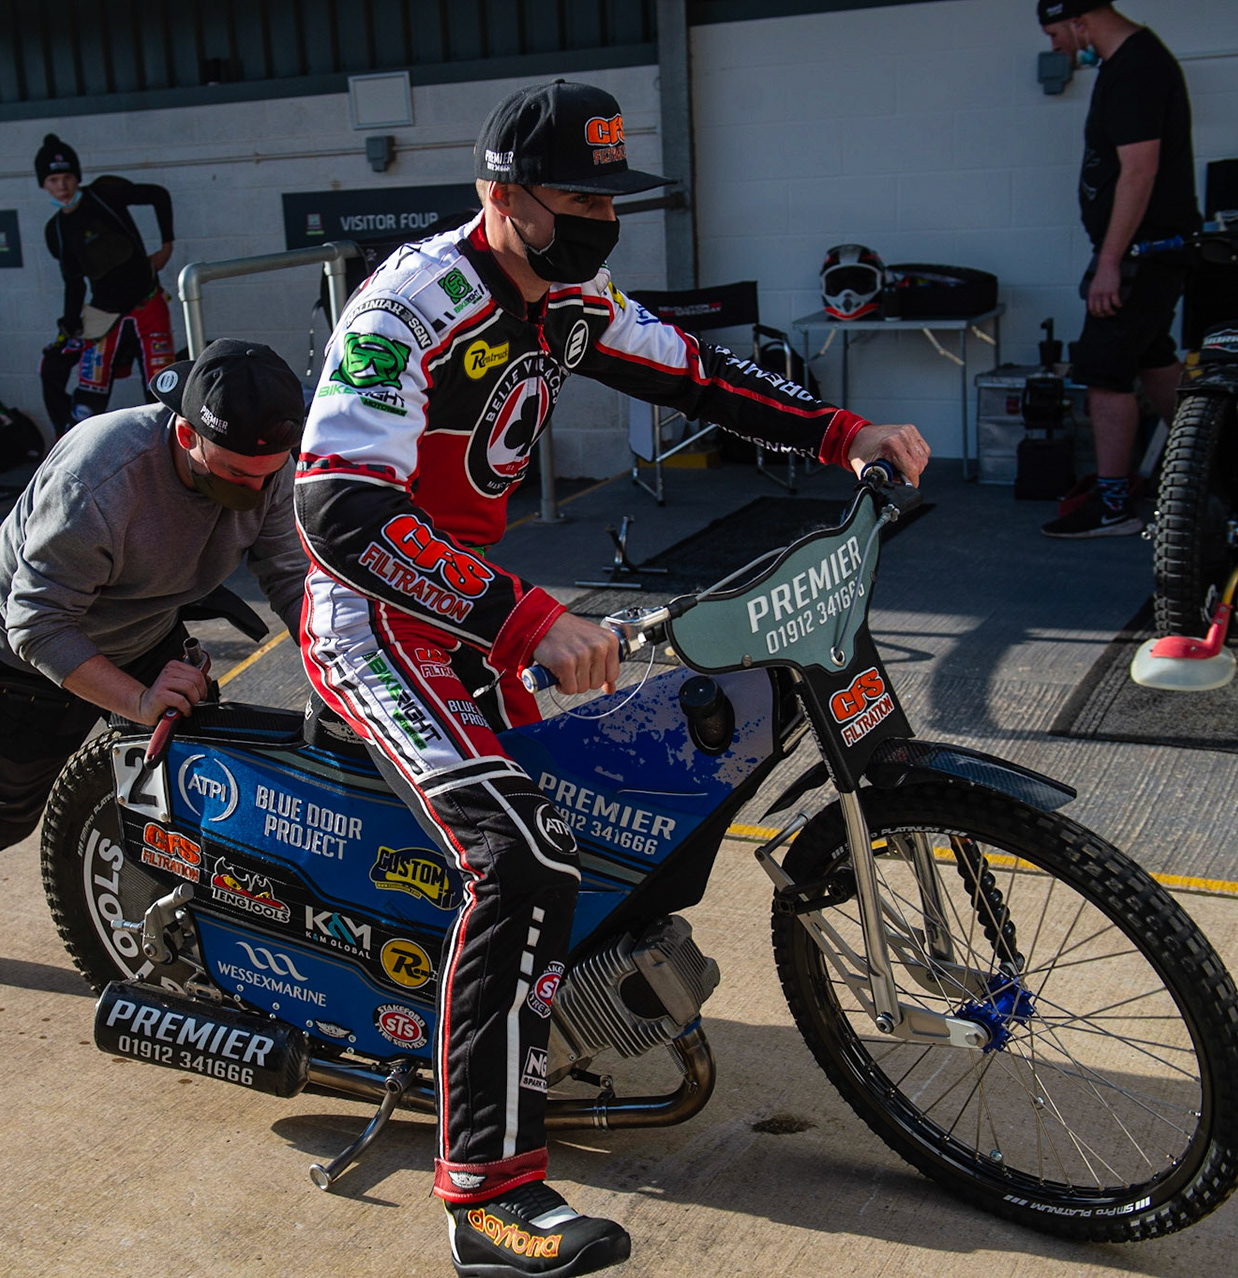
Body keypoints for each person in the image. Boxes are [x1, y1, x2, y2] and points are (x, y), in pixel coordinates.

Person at [295, 80, 929, 1278]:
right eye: (578, 197)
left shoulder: (573, 295)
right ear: (502, 195)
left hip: (469, 608)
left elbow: (699, 375)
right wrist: (525, 618)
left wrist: (843, 433)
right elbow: (338, 507)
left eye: (611, 195)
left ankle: (535, 1021)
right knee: (524, 852)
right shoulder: (407, 307)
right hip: (377, 617)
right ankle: (485, 1196)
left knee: (583, 825)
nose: (600, 218)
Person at [0, 339, 308, 930]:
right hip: (25, 661)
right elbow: (37, 623)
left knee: (194, 785)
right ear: (188, 435)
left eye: (270, 475)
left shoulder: (266, 460)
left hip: (141, 629)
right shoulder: (101, 477)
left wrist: (340, 670)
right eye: (237, 474)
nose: (259, 493)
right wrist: (139, 701)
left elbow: (291, 576)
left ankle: (191, 932)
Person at [1037, 0, 1199, 538]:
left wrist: (1111, 261)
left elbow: (1139, 170)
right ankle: (1209, 475)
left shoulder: (1137, 68)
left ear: (1080, 20)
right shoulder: (1128, 65)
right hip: (1146, 252)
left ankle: (1112, 507)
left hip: (1142, 255)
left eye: (1055, 32)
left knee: (1103, 372)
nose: (1056, 45)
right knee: (1154, 361)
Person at [35, 133, 179, 435]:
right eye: (53, 180)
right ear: (43, 185)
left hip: (146, 303)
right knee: (88, 402)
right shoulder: (56, 231)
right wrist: (70, 323)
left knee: (163, 394)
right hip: (104, 315)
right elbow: (73, 283)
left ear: (77, 177)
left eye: (67, 177)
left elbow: (158, 195)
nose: (61, 187)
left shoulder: (104, 193)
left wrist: (167, 246)